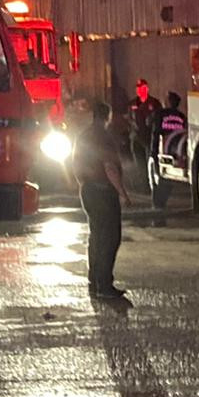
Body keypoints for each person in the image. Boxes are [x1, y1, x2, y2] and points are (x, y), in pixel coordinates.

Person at [74, 99, 132, 300]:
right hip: (103, 192)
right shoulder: (104, 137)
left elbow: (75, 164)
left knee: (96, 234)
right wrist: (122, 193)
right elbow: (109, 167)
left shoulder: (83, 136)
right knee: (110, 237)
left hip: (87, 190)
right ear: (106, 117)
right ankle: (105, 285)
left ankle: (94, 279)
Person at [127, 79, 161, 167]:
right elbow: (129, 119)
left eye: (141, 88)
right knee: (139, 165)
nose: (139, 90)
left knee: (150, 163)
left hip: (149, 137)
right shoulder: (132, 103)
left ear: (146, 89)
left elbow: (159, 118)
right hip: (136, 137)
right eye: (137, 88)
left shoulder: (154, 103)